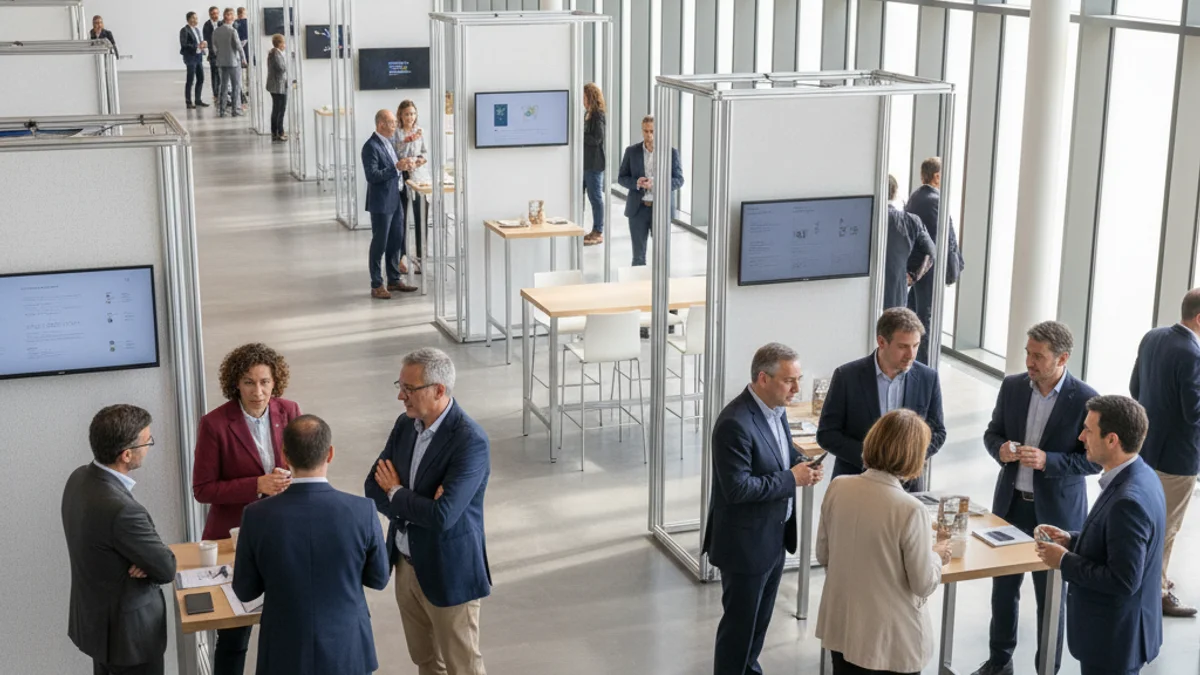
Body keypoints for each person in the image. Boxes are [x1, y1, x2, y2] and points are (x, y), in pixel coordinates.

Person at [970, 320, 1099, 675]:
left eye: (1038, 356)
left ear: (1062, 359)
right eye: (1028, 353)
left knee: (1051, 597)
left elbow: (1093, 461)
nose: (1029, 361)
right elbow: (991, 434)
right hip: (1011, 507)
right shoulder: (1012, 387)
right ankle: (999, 662)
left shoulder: (1086, 399)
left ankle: (1047, 669)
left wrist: (1049, 461)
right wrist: (1002, 450)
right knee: (1003, 591)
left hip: (1057, 515)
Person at [365, 348, 491, 675]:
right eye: (400, 385)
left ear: (438, 390)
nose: (400, 396)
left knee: (462, 666)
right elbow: (371, 486)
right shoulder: (406, 425)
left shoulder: (469, 441)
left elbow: (442, 517)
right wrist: (418, 502)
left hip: (450, 571)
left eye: (409, 389)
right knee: (425, 662)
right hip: (406, 566)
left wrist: (396, 491)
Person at [233, 415, 390, 675]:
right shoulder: (362, 511)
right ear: (330, 453)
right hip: (348, 648)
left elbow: (245, 590)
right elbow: (378, 579)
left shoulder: (256, 515)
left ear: (285, 456)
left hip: (284, 651)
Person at [702, 342, 825, 675]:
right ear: (762, 378)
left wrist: (801, 463)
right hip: (745, 546)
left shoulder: (776, 410)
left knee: (757, 627)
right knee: (739, 630)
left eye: (797, 379)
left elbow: (778, 455)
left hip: (773, 539)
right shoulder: (735, 423)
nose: (797, 389)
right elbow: (738, 488)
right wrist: (791, 478)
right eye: (790, 381)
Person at [1035, 395, 1165, 675]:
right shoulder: (1142, 475)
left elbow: (1124, 579)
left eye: (1088, 430)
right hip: (1123, 633)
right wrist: (1072, 539)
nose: (1081, 437)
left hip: (1113, 641)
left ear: (1112, 440)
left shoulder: (1127, 501)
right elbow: (1119, 543)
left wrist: (1064, 561)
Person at [192, 342, 301, 675]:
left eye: (265, 382)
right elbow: (203, 489)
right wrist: (257, 484)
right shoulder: (214, 424)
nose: (258, 391)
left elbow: (302, 462)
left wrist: (293, 474)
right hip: (235, 539)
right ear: (235, 384)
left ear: (275, 382)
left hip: (284, 534)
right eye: (249, 382)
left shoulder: (290, 411)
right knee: (234, 635)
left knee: (289, 629)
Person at [816, 409, 950, 675]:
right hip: (891, 640)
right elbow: (923, 583)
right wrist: (937, 554)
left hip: (843, 628)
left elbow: (823, 554)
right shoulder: (911, 509)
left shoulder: (838, 487)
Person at [62, 405, 177, 675]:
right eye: (147, 441)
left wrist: (143, 559)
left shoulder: (79, 478)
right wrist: (148, 560)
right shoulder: (123, 510)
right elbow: (166, 567)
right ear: (126, 455)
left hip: (99, 627)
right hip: (129, 638)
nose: (149, 446)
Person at [817, 307, 946, 491]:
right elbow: (827, 434)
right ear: (881, 341)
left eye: (915, 345)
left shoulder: (928, 378)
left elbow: (938, 432)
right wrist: (873, 461)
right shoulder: (847, 377)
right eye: (903, 346)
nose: (911, 354)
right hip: (856, 484)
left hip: (908, 489)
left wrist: (909, 459)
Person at [1129, 287, 1200, 617]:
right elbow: (1195, 413)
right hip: (1178, 459)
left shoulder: (1153, 337)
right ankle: (1155, 591)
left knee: (1147, 520)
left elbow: (1135, 389)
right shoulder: (1192, 354)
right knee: (1166, 527)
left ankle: (1153, 579)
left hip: (1146, 451)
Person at [905, 157, 964, 364]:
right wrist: (953, 269)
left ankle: (913, 360)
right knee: (927, 320)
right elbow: (946, 238)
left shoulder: (915, 198)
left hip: (917, 268)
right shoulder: (936, 201)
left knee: (915, 313)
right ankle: (926, 365)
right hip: (930, 269)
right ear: (937, 176)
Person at [363, 109, 417, 299]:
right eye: (392, 122)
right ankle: (376, 284)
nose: (396, 125)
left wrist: (405, 166)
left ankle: (393, 279)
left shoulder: (388, 143)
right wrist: (396, 168)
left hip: (395, 198)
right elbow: (373, 175)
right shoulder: (370, 147)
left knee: (396, 239)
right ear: (381, 125)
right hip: (381, 202)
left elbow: (394, 169)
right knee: (380, 243)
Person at [617, 114, 684, 267]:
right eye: (646, 131)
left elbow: (679, 180)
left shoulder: (671, 153)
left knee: (662, 256)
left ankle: (660, 290)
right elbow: (621, 177)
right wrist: (637, 182)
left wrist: (657, 184)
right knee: (638, 257)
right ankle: (639, 290)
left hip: (661, 209)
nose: (649, 135)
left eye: (652, 131)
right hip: (638, 209)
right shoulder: (631, 152)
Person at [884, 174, 935, 310]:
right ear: (894, 193)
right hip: (897, 288)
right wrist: (914, 275)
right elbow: (931, 251)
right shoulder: (911, 221)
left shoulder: (866, 217)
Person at [392, 100, 429, 274]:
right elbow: (395, 153)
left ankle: (421, 258)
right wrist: (408, 141)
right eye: (407, 114)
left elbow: (424, 154)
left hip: (418, 177)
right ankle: (402, 257)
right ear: (400, 115)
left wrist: (419, 161)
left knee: (421, 216)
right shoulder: (396, 133)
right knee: (401, 219)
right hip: (401, 177)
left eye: (413, 114)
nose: (410, 117)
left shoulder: (420, 132)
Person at [582, 82, 607, 246]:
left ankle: (598, 231)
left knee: (595, 198)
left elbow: (597, 139)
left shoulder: (598, 115)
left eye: (584, 97)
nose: (582, 100)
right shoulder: (586, 113)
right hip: (584, 163)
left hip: (594, 164)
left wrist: (579, 135)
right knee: (581, 197)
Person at [213, 8, 245, 117]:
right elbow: (239, 47)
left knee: (223, 86)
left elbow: (214, 47)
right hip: (233, 62)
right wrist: (243, 59)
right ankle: (235, 110)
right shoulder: (232, 31)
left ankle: (222, 110)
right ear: (231, 17)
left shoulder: (216, 31)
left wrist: (220, 55)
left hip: (221, 62)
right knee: (236, 86)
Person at [179, 12, 210, 109]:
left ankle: (198, 100)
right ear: (188, 19)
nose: (196, 20)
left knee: (200, 78)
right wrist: (197, 46)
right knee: (190, 80)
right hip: (190, 57)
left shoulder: (197, 30)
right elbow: (184, 44)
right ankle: (188, 102)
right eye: (193, 18)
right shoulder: (184, 30)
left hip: (198, 56)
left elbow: (199, 42)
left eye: (197, 18)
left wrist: (203, 44)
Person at [265, 33, 288, 141]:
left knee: (277, 109)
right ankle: (279, 132)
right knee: (279, 110)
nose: (285, 45)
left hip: (277, 85)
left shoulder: (274, 53)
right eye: (283, 42)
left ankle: (277, 132)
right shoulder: (276, 54)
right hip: (278, 86)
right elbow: (281, 68)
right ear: (279, 43)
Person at [203, 6, 222, 103]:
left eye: (216, 13)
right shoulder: (206, 25)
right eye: (212, 13)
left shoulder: (222, 23)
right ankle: (215, 94)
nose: (214, 15)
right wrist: (209, 52)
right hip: (212, 53)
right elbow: (206, 40)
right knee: (214, 74)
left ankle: (222, 93)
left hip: (222, 53)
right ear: (209, 14)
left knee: (221, 74)